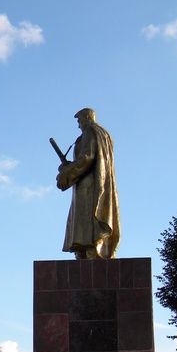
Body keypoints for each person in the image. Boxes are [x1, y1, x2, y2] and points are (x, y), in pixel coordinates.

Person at [56, 108, 120, 259]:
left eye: (79, 121)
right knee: (89, 216)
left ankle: (91, 249)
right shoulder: (104, 134)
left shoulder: (91, 131)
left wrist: (66, 173)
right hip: (97, 181)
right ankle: (86, 250)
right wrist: (70, 166)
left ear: (86, 118)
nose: (79, 126)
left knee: (88, 216)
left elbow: (87, 157)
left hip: (89, 184)